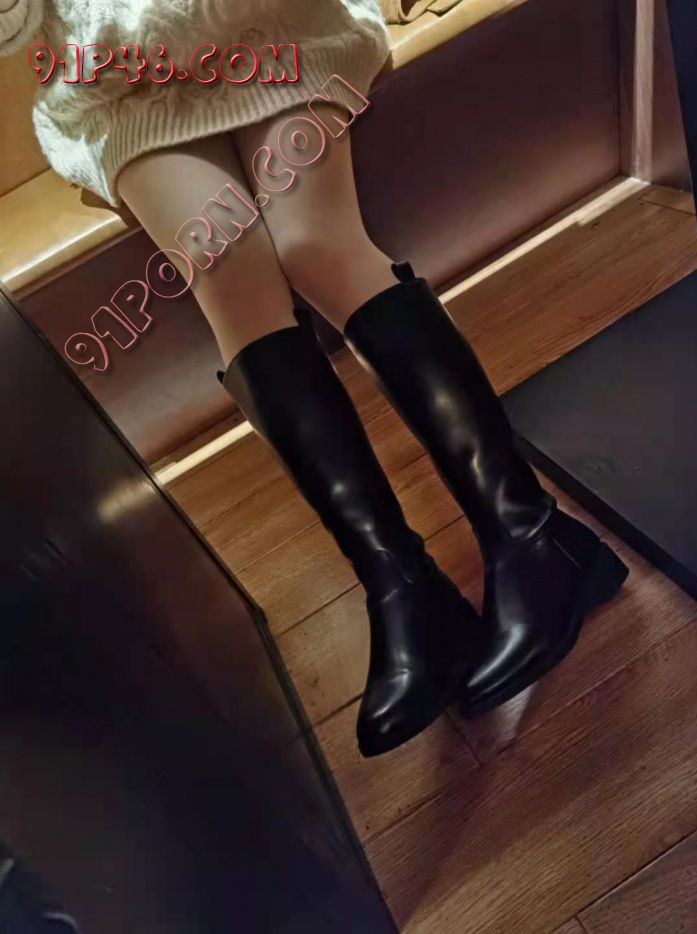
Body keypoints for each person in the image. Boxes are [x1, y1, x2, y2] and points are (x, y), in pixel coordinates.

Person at [0, 0, 628, 757]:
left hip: (273, 23)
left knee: (315, 246)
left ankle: (527, 531)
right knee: (227, 269)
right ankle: (402, 585)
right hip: (123, 81)